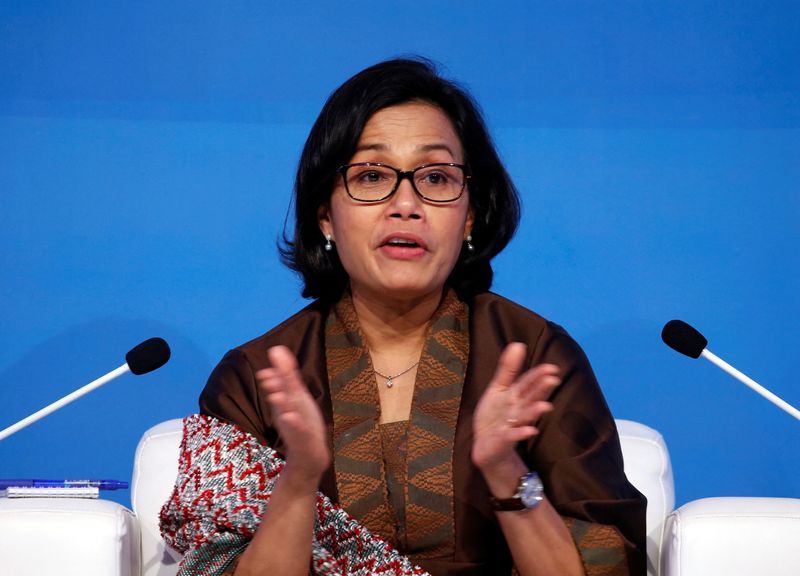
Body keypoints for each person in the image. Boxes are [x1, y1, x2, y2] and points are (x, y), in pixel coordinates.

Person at [160, 58, 647, 576]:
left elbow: (603, 563)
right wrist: (298, 481)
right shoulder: (257, 378)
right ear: (325, 213)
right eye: (372, 176)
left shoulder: (533, 357)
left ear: (471, 216)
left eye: (436, 177)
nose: (406, 204)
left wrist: (506, 473)